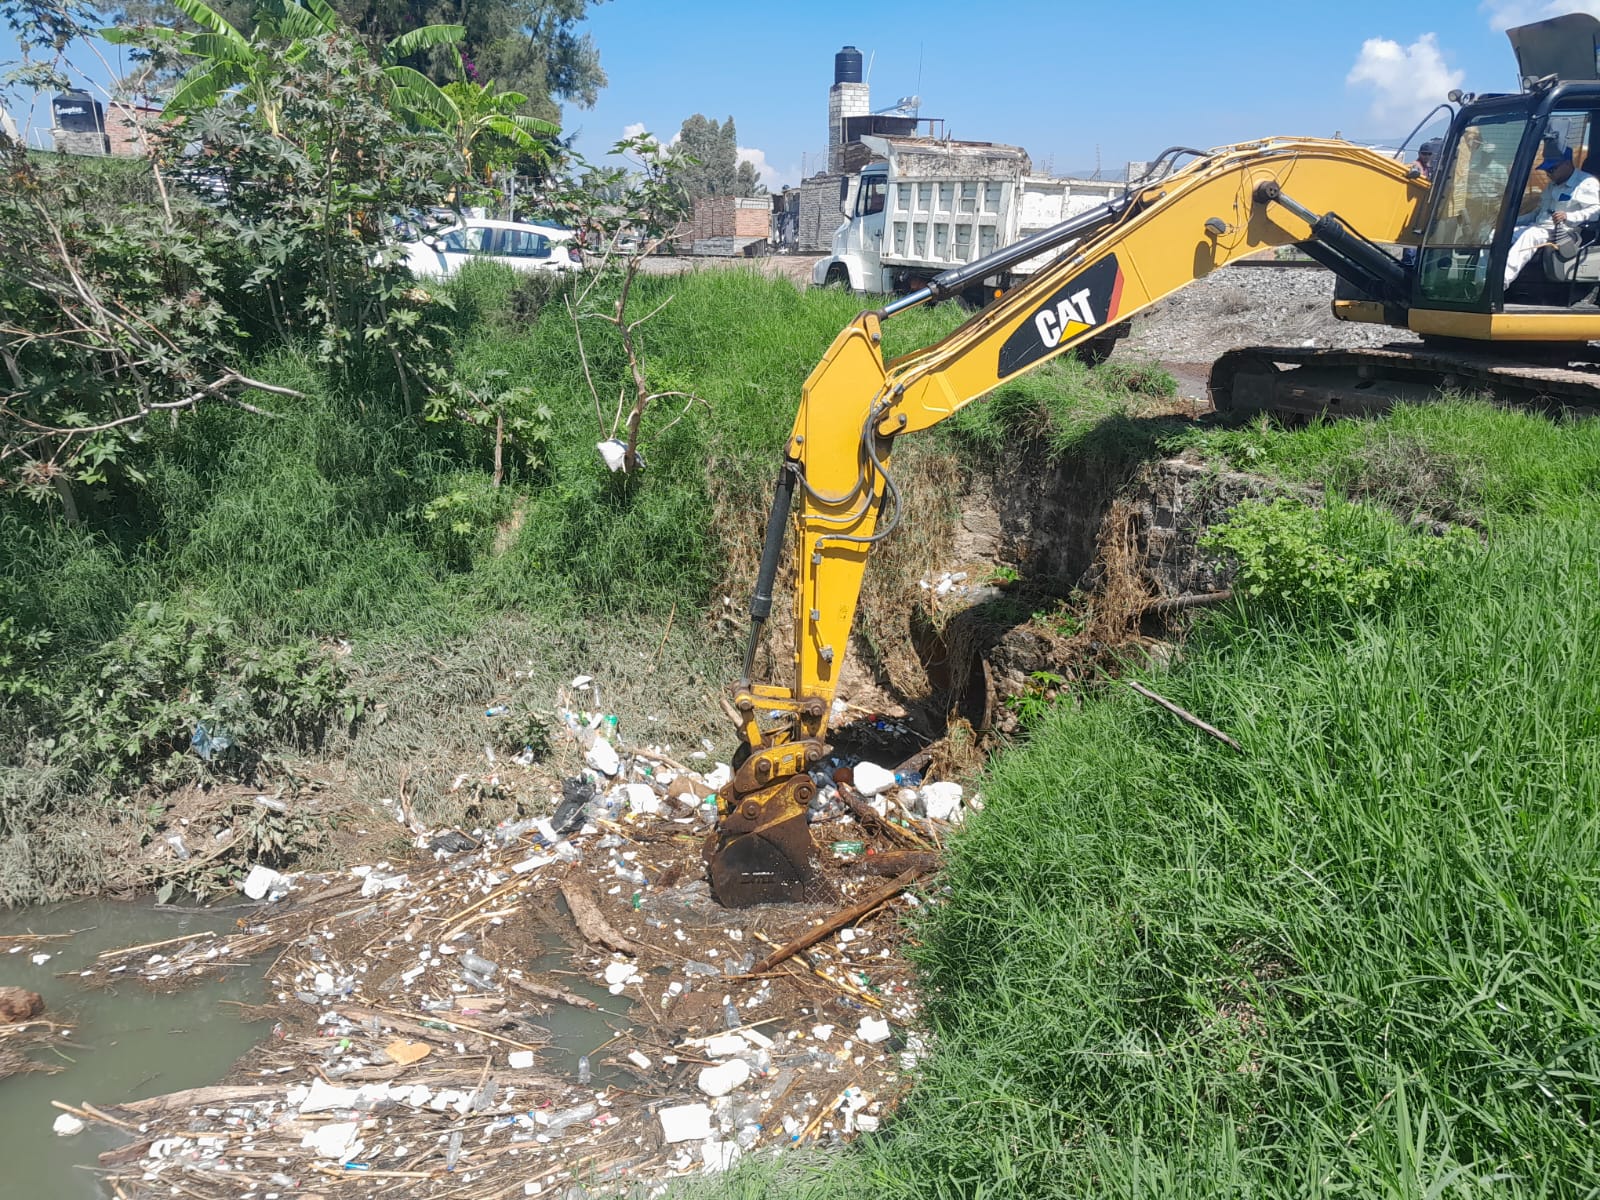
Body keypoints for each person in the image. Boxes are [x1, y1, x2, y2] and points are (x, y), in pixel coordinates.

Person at [1503, 134, 1600, 289]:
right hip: (1541, 227)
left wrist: (1569, 216)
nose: (1548, 174)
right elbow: (1538, 214)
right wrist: (1509, 222)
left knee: (1531, 235)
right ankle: (1482, 278)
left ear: (1567, 164)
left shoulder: (1586, 183)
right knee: (1497, 234)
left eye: (1552, 169)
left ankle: (1501, 282)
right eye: (1546, 170)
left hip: (1566, 232)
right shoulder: (1551, 186)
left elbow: (1596, 211)